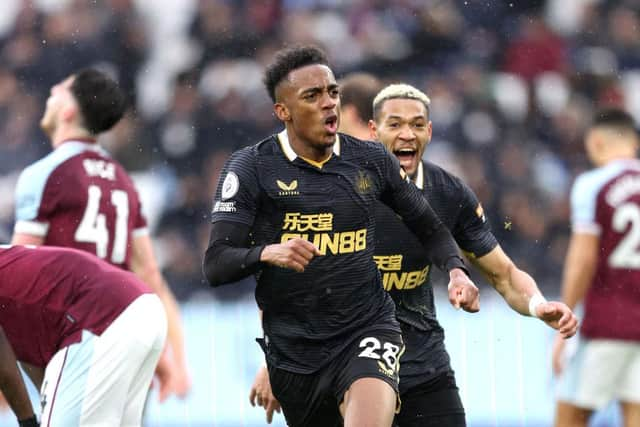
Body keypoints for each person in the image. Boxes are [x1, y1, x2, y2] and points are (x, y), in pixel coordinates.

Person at [250, 79, 579, 426]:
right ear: (374, 130)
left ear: (430, 132)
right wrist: (273, 361)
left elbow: (505, 275)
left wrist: (537, 304)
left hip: (422, 371)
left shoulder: (448, 193)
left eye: (417, 125)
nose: (407, 134)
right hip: (340, 370)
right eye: (395, 124)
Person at [203, 45, 480, 427]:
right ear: (283, 112)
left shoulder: (370, 160)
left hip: (367, 329)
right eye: (312, 96)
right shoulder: (251, 168)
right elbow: (216, 264)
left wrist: (455, 269)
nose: (328, 103)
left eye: (333, 92)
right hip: (294, 353)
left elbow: (429, 226)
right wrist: (267, 253)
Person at [11, 68, 190, 399]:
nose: (52, 89)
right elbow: (150, 274)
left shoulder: (44, 174)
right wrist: (173, 360)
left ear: (67, 111)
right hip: (126, 338)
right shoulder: (122, 179)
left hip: (76, 340)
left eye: (60, 88)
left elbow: (17, 274)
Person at [0, 245, 167, 426]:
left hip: (104, 318)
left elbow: (4, 368)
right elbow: (23, 352)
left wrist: (28, 421)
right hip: (143, 306)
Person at [552, 108, 640, 427]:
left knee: (569, 415)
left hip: (606, 322)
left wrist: (564, 319)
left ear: (597, 141)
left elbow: (583, 259)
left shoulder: (593, 184)